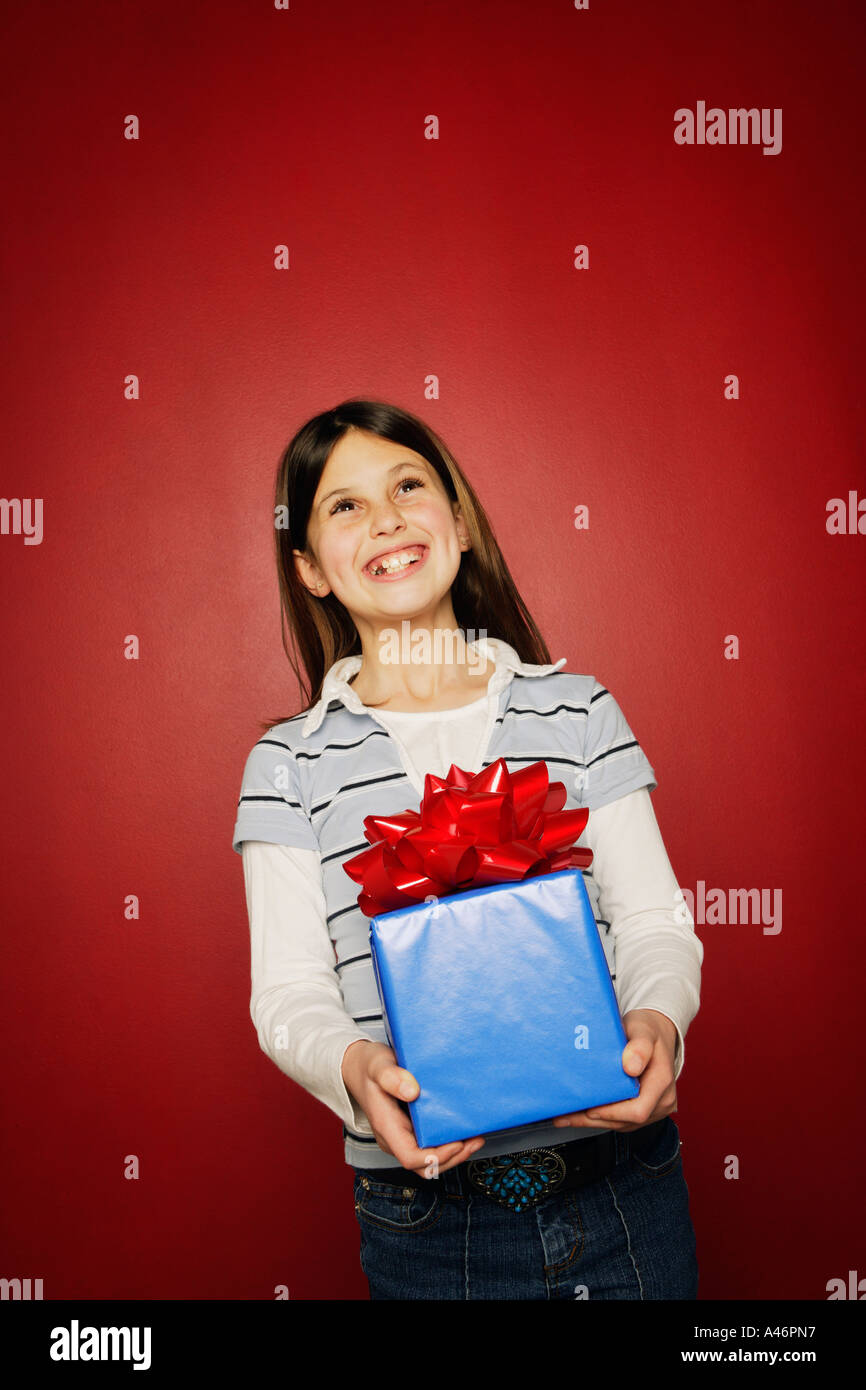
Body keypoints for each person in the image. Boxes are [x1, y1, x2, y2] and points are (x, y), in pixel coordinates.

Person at [232, 398, 703, 1300]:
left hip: (622, 1195)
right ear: (311, 571)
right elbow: (288, 994)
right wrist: (357, 1069)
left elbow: (654, 921)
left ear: (459, 521)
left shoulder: (579, 710)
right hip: (425, 1224)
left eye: (409, 486)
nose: (387, 519)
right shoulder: (287, 764)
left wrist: (659, 1021)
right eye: (344, 506)